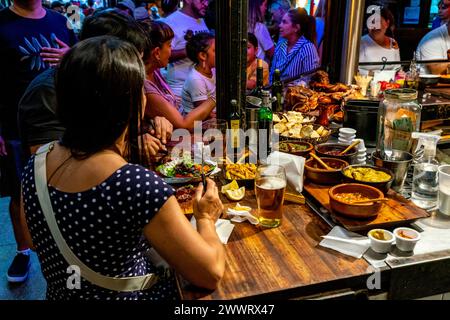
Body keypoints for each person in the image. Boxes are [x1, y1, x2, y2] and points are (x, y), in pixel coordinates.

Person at [21, 36, 225, 300]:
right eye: (141, 88)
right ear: (128, 103)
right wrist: (206, 219)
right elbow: (210, 272)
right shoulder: (134, 183)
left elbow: (37, 243)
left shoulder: (35, 165)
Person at [18, 9, 172, 158]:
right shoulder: (48, 90)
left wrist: (151, 125)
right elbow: (48, 162)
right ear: (100, 50)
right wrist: (129, 148)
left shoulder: (105, 83)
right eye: (129, 59)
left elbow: (111, 130)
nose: (134, 67)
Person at [0, 0, 76, 283]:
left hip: (62, 120)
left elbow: (82, 59)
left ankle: (67, 246)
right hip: (16, 126)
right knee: (20, 189)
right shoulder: (2, 24)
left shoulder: (60, 21)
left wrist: (70, 55)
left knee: (66, 183)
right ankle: (23, 251)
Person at [143, 21, 216, 130]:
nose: (171, 50)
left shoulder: (154, 72)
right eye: (169, 45)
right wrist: (216, 97)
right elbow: (184, 124)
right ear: (157, 52)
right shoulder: (145, 86)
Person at [161, 0, 209, 98]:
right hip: (182, 92)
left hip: (203, 88)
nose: (206, 3)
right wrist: (190, 50)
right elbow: (161, 56)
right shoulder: (171, 22)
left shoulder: (200, 20)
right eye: (202, 0)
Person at [269, 8, 319, 83]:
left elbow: (311, 80)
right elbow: (272, 74)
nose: (280, 25)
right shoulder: (280, 45)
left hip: (295, 93)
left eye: (284, 22)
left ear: (296, 28)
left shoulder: (307, 48)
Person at [181, 32, 216, 117]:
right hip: (197, 126)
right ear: (203, 55)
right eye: (215, 50)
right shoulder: (196, 79)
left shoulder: (213, 70)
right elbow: (205, 114)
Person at [359, 7, 400, 72]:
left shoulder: (393, 42)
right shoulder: (360, 42)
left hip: (389, 82)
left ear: (387, 23)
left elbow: (397, 68)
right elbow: (356, 70)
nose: (375, 26)